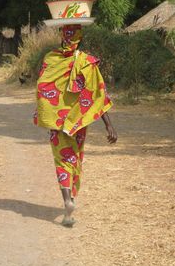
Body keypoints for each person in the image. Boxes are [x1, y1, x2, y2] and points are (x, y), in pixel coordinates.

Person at [34, 24, 117, 227]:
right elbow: (98, 94)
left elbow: (42, 88)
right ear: (79, 38)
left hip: (56, 120)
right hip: (78, 121)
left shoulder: (50, 59)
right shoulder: (87, 62)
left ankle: (67, 201)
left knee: (62, 160)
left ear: (62, 36)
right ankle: (71, 202)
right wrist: (109, 126)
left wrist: (48, 112)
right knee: (75, 157)